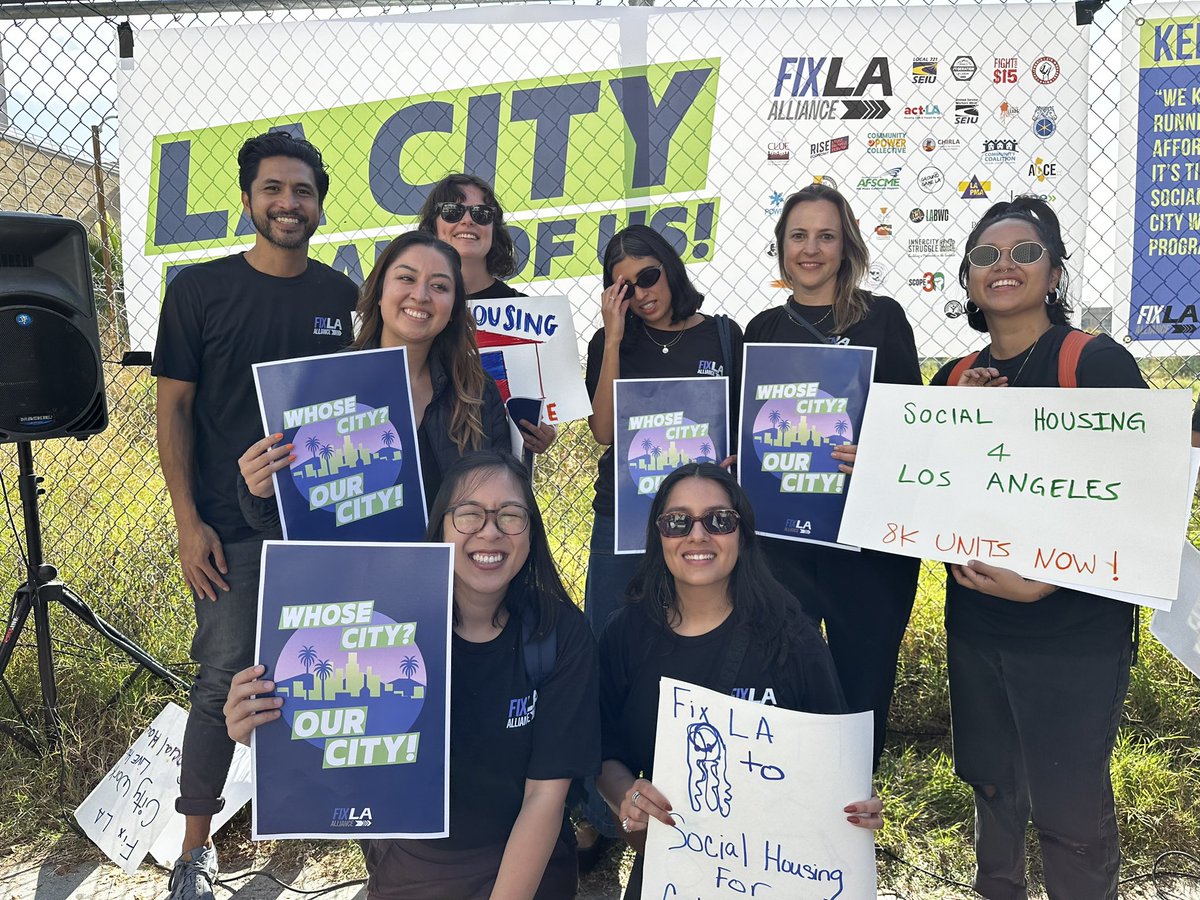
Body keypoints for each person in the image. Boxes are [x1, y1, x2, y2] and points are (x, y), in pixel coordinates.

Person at [226, 451, 600, 899]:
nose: (490, 531)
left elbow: (545, 799)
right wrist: (266, 732)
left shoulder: (558, 633)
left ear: (531, 531)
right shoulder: (383, 630)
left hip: (529, 866)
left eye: (511, 515)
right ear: (440, 527)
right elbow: (338, 744)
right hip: (415, 866)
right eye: (469, 515)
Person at [152, 131, 359, 900]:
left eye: (302, 192)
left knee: (332, 670)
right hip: (228, 532)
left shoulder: (343, 298)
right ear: (246, 200)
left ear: (318, 204)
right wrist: (187, 522)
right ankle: (194, 849)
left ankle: (336, 819)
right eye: (273, 189)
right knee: (222, 682)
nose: (288, 204)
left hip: (324, 530)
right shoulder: (198, 291)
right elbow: (172, 410)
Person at [931, 196, 1146, 900]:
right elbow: (928, 497)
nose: (1004, 266)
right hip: (978, 628)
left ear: (1054, 273)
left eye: (1025, 253)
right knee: (993, 795)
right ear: (966, 280)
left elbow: (1139, 497)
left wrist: (1047, 581)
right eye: (986, 256)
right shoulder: (954, 379)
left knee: (1070, 813)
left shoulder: (1093, 362)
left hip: (1074, 631)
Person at [596, 463, 882, 898]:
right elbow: (601, 750)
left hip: (785, 872)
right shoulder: (626, 635)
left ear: (742, 534)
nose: (697, 535)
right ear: (659, 536)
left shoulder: (792, 634)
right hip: (675, 868)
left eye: (718, 520)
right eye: (677, 521)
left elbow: (836, 762)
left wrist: (860, 806)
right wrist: (626, 796)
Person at [744, 183, 921, 770]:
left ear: (847, 247)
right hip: (782, 545)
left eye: (826, 235)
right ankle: (782, 828)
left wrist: (878, 447)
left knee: (860, 694)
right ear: (781, 246)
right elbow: (751, 432)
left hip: (865, 545)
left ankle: (845, 830)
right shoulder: (762, 331)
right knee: (784, 685)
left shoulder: (882, 319)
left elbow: (910, 423)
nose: (812, 249)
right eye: (799, 236)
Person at [237, 231, 510, 521]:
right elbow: (280, 521)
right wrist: (258, 490)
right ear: (379, 292)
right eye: (406, 278)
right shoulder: (319, 383)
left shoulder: (477, 392)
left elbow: (502, 499)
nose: (420, 295)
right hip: (353, 565)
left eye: (439, 286)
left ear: (454, 309)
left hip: (451, 563)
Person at [584, 224, 743, 636]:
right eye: (625, 287)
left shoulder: (722, 336)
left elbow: (740, 425)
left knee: (698, 633)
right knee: (609, 636)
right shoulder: (609, 342)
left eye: (649, 277)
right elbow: (603, 430)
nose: (641, 294)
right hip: (625, 515)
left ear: (670, 269)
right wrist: (615, 338)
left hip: (701, 520)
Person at [417, 172, 555, 456]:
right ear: (433, 224)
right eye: (453, 211)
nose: (467, 221)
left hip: (501, 472)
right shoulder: (414, 308)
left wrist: (544, 431)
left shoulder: (525, 313)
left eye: (481, 213)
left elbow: (547, 410)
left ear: (494, 228)